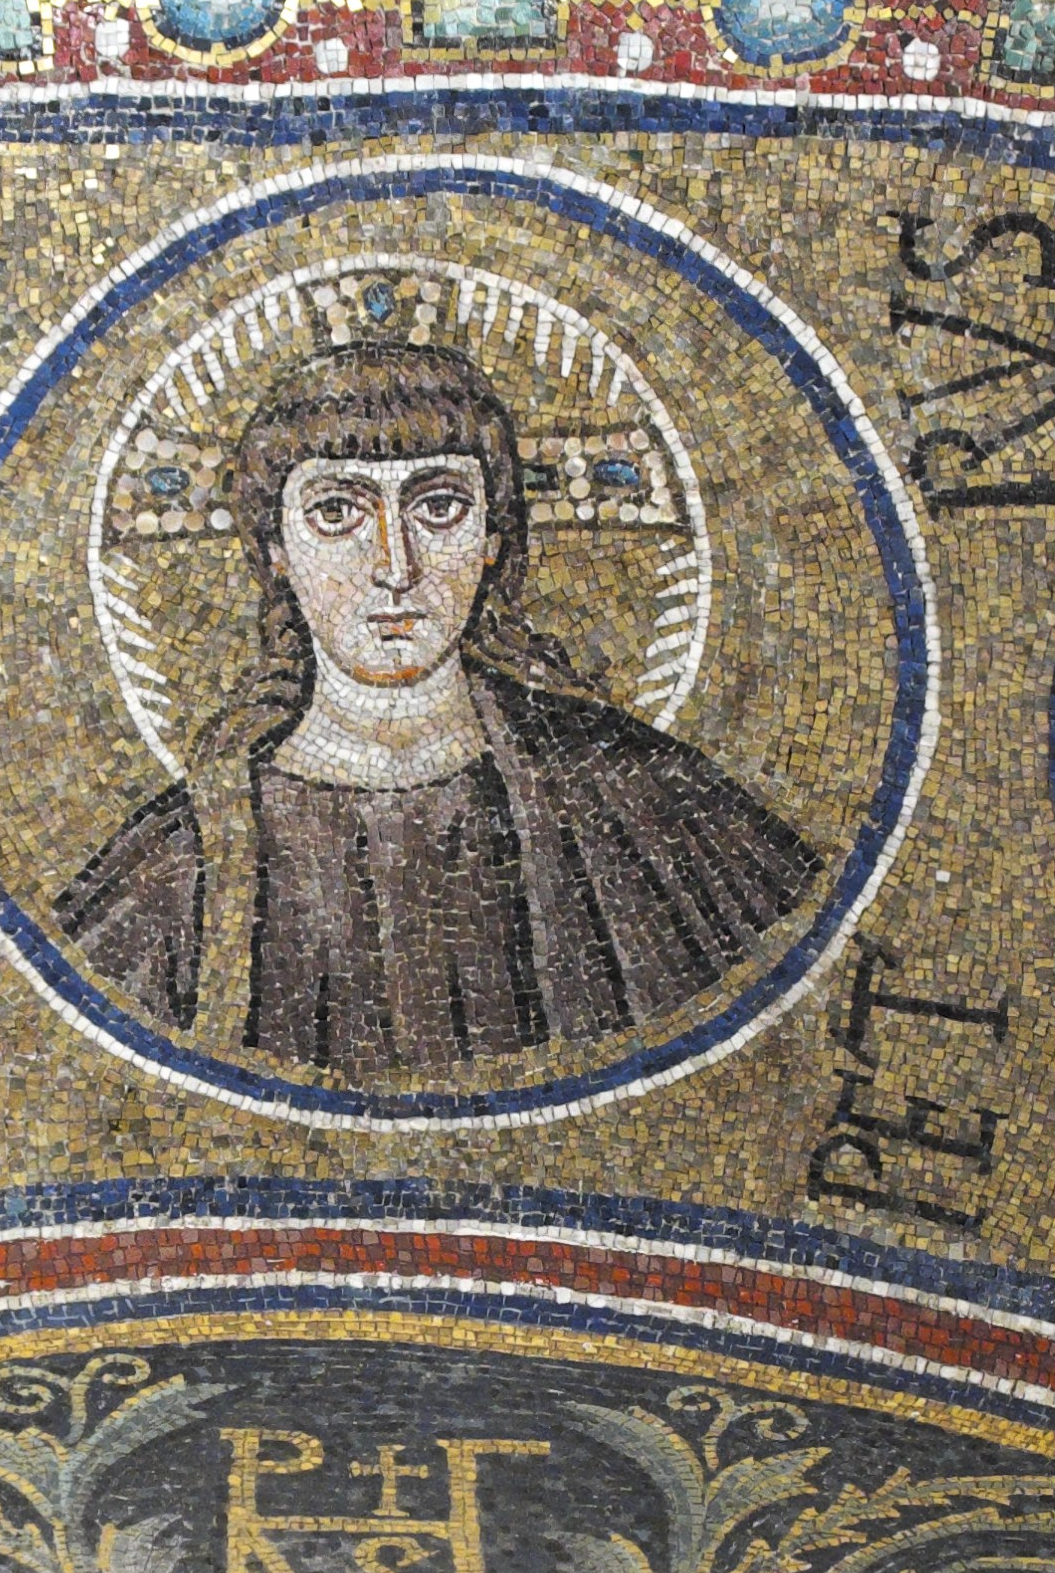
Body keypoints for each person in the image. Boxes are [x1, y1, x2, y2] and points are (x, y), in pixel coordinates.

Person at [52, 340, 825, 1082]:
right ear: (276, 550)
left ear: (492, 537)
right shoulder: (184, 860)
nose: (396, 565)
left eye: (441, 505)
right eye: (336, 513)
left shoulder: (645, 801)